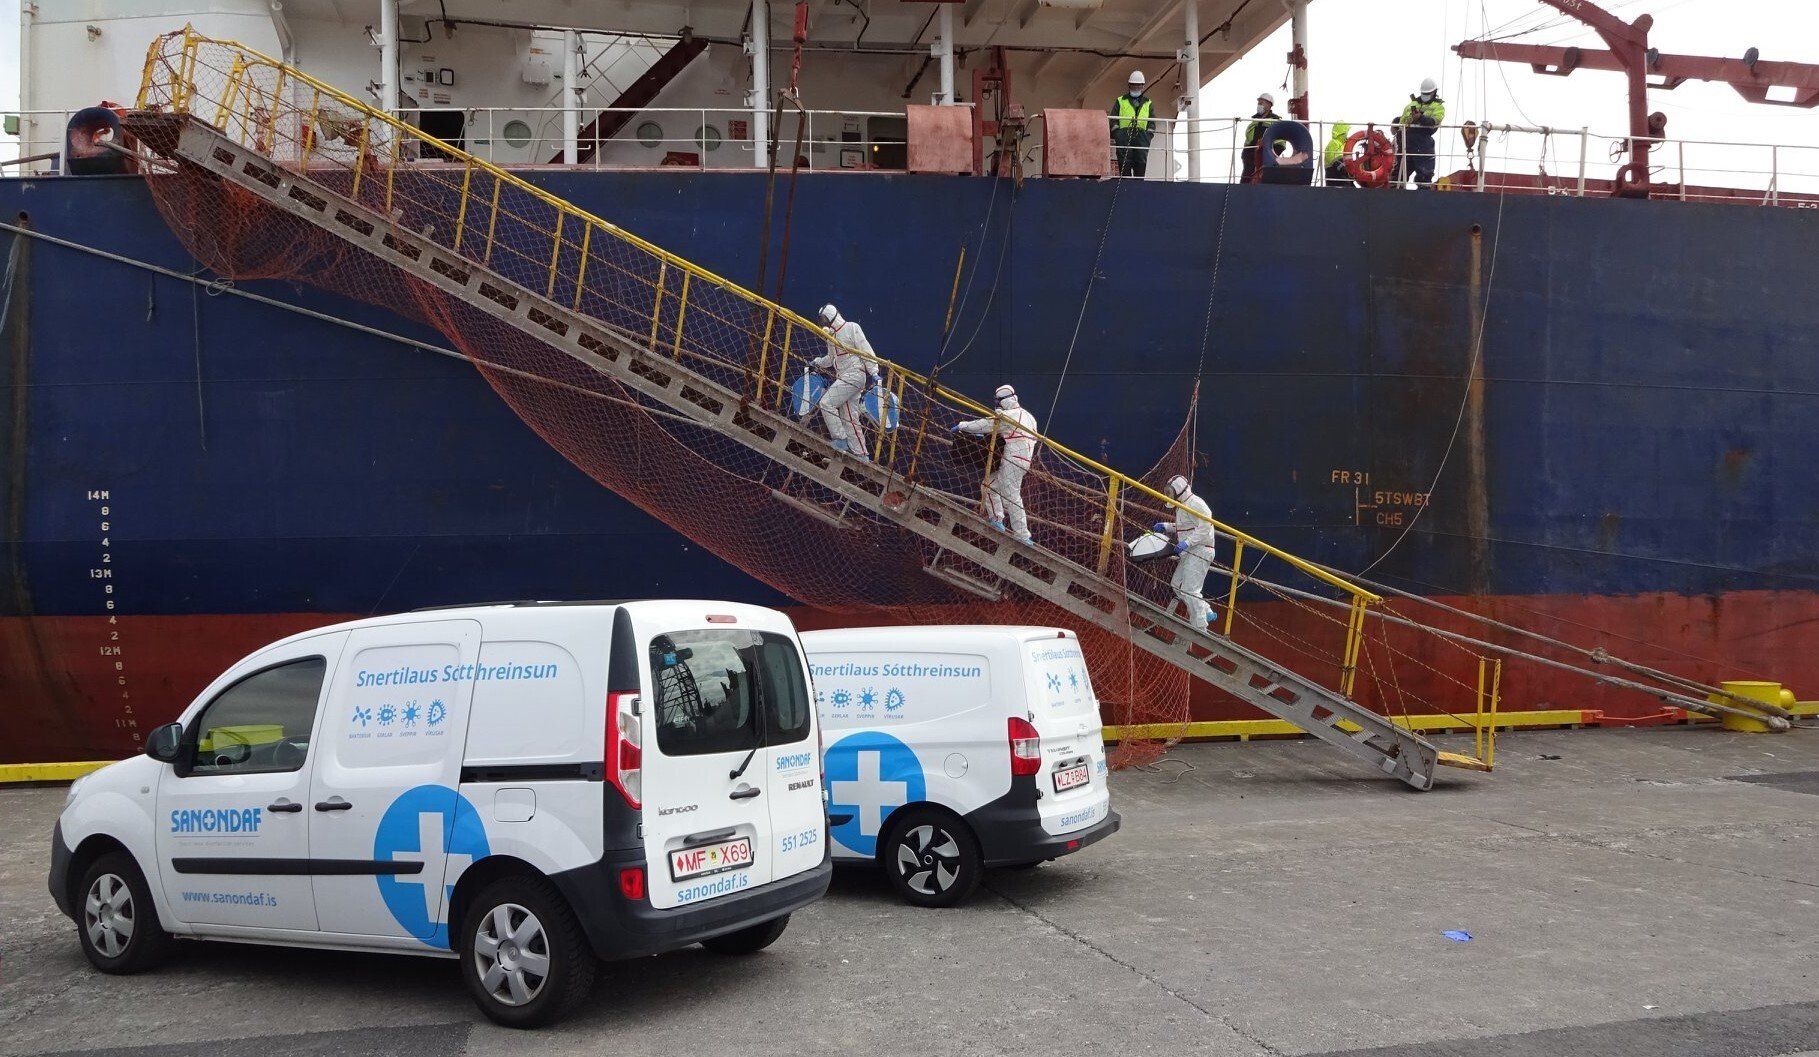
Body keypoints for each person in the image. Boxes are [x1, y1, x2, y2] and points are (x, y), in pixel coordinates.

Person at [953, 385, 1039, 543]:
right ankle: (996, 518)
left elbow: (986, 424)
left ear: (1002, 401)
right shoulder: (1029, 417)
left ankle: (1022, 535)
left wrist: (963, 425)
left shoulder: (1009, 415)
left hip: (1012, 461)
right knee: (989, 485)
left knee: (1012, 497)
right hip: (1023, 461)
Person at [809, 303, 881, 460]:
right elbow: (831, 359)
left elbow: (865, 349)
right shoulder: (831, 337)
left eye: (824, 321)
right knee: (849, 417)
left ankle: (840, 440)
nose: (823, 325)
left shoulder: (851, 327)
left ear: (830, 318)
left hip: (855, 374)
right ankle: (862, 455)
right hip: (845, 377)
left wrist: (874, 372)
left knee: (827, 403)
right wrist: (818, 362)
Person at [1152, 474, 1218, 628]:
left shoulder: (1195, 503)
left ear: (1179, 490)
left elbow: (1206, 524)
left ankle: (1200, 627)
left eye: (1170, 491)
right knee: (1176, 584)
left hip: (1201, 550)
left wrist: (1187, 543)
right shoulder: (1182, 506)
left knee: (1190, 590)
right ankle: (1205, 609)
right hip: (1190, 551)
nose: (1169, 495)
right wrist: (1166, 526)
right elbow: (1184, 526)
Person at [1396, 78, 1445, 188]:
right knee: (1398, 174)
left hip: (1424, 141)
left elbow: (1434, 121)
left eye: (1428, 93)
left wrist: (1421, 117)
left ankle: (1423, 195)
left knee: (1425, 175)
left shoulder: (1438, 107)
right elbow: (1402, 122)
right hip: (1407, 141)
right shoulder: (1412, 105)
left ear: (1434, 93)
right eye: (1424, 93)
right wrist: (1411, 118)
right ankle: (1396, 192)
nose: (1425, 95)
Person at [1109, 71, 1156, 178]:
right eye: (1134, 85)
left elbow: (1152, 124)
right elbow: (1113, 121)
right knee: (1124, 166)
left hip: (1142, 139)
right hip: (1124, 138)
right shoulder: (1120, 101)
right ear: (1129, 85)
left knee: (1140, 166)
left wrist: (1147, 137)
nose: (1136, 88)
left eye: (1138, 86)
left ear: (1142, 86)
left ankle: (1138, 189)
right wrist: (1119, 135)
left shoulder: (1148, 103)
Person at [1240, 93, 1281, 183]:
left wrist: (1273, 153)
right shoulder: (1254, 120)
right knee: (1247, 174)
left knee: (1265, 175)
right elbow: (1248, 138)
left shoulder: (1276, 120)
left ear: (1269, 105)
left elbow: (1280, 142)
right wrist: (1246, 151)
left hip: (1266, 152)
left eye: (1261, 103)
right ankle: (1243, 190)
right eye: (1258, 103)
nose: (1259, 105)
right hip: (1250, 152)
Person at [1324, 121, 1354, 186]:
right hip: (1336, 180)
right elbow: (1337, 163)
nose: (1347, 135)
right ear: (1342, 132)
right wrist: (1353, 172)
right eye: (1346, 132)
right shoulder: (1334, 143)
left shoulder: (1343, 145)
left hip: (1344, 180)